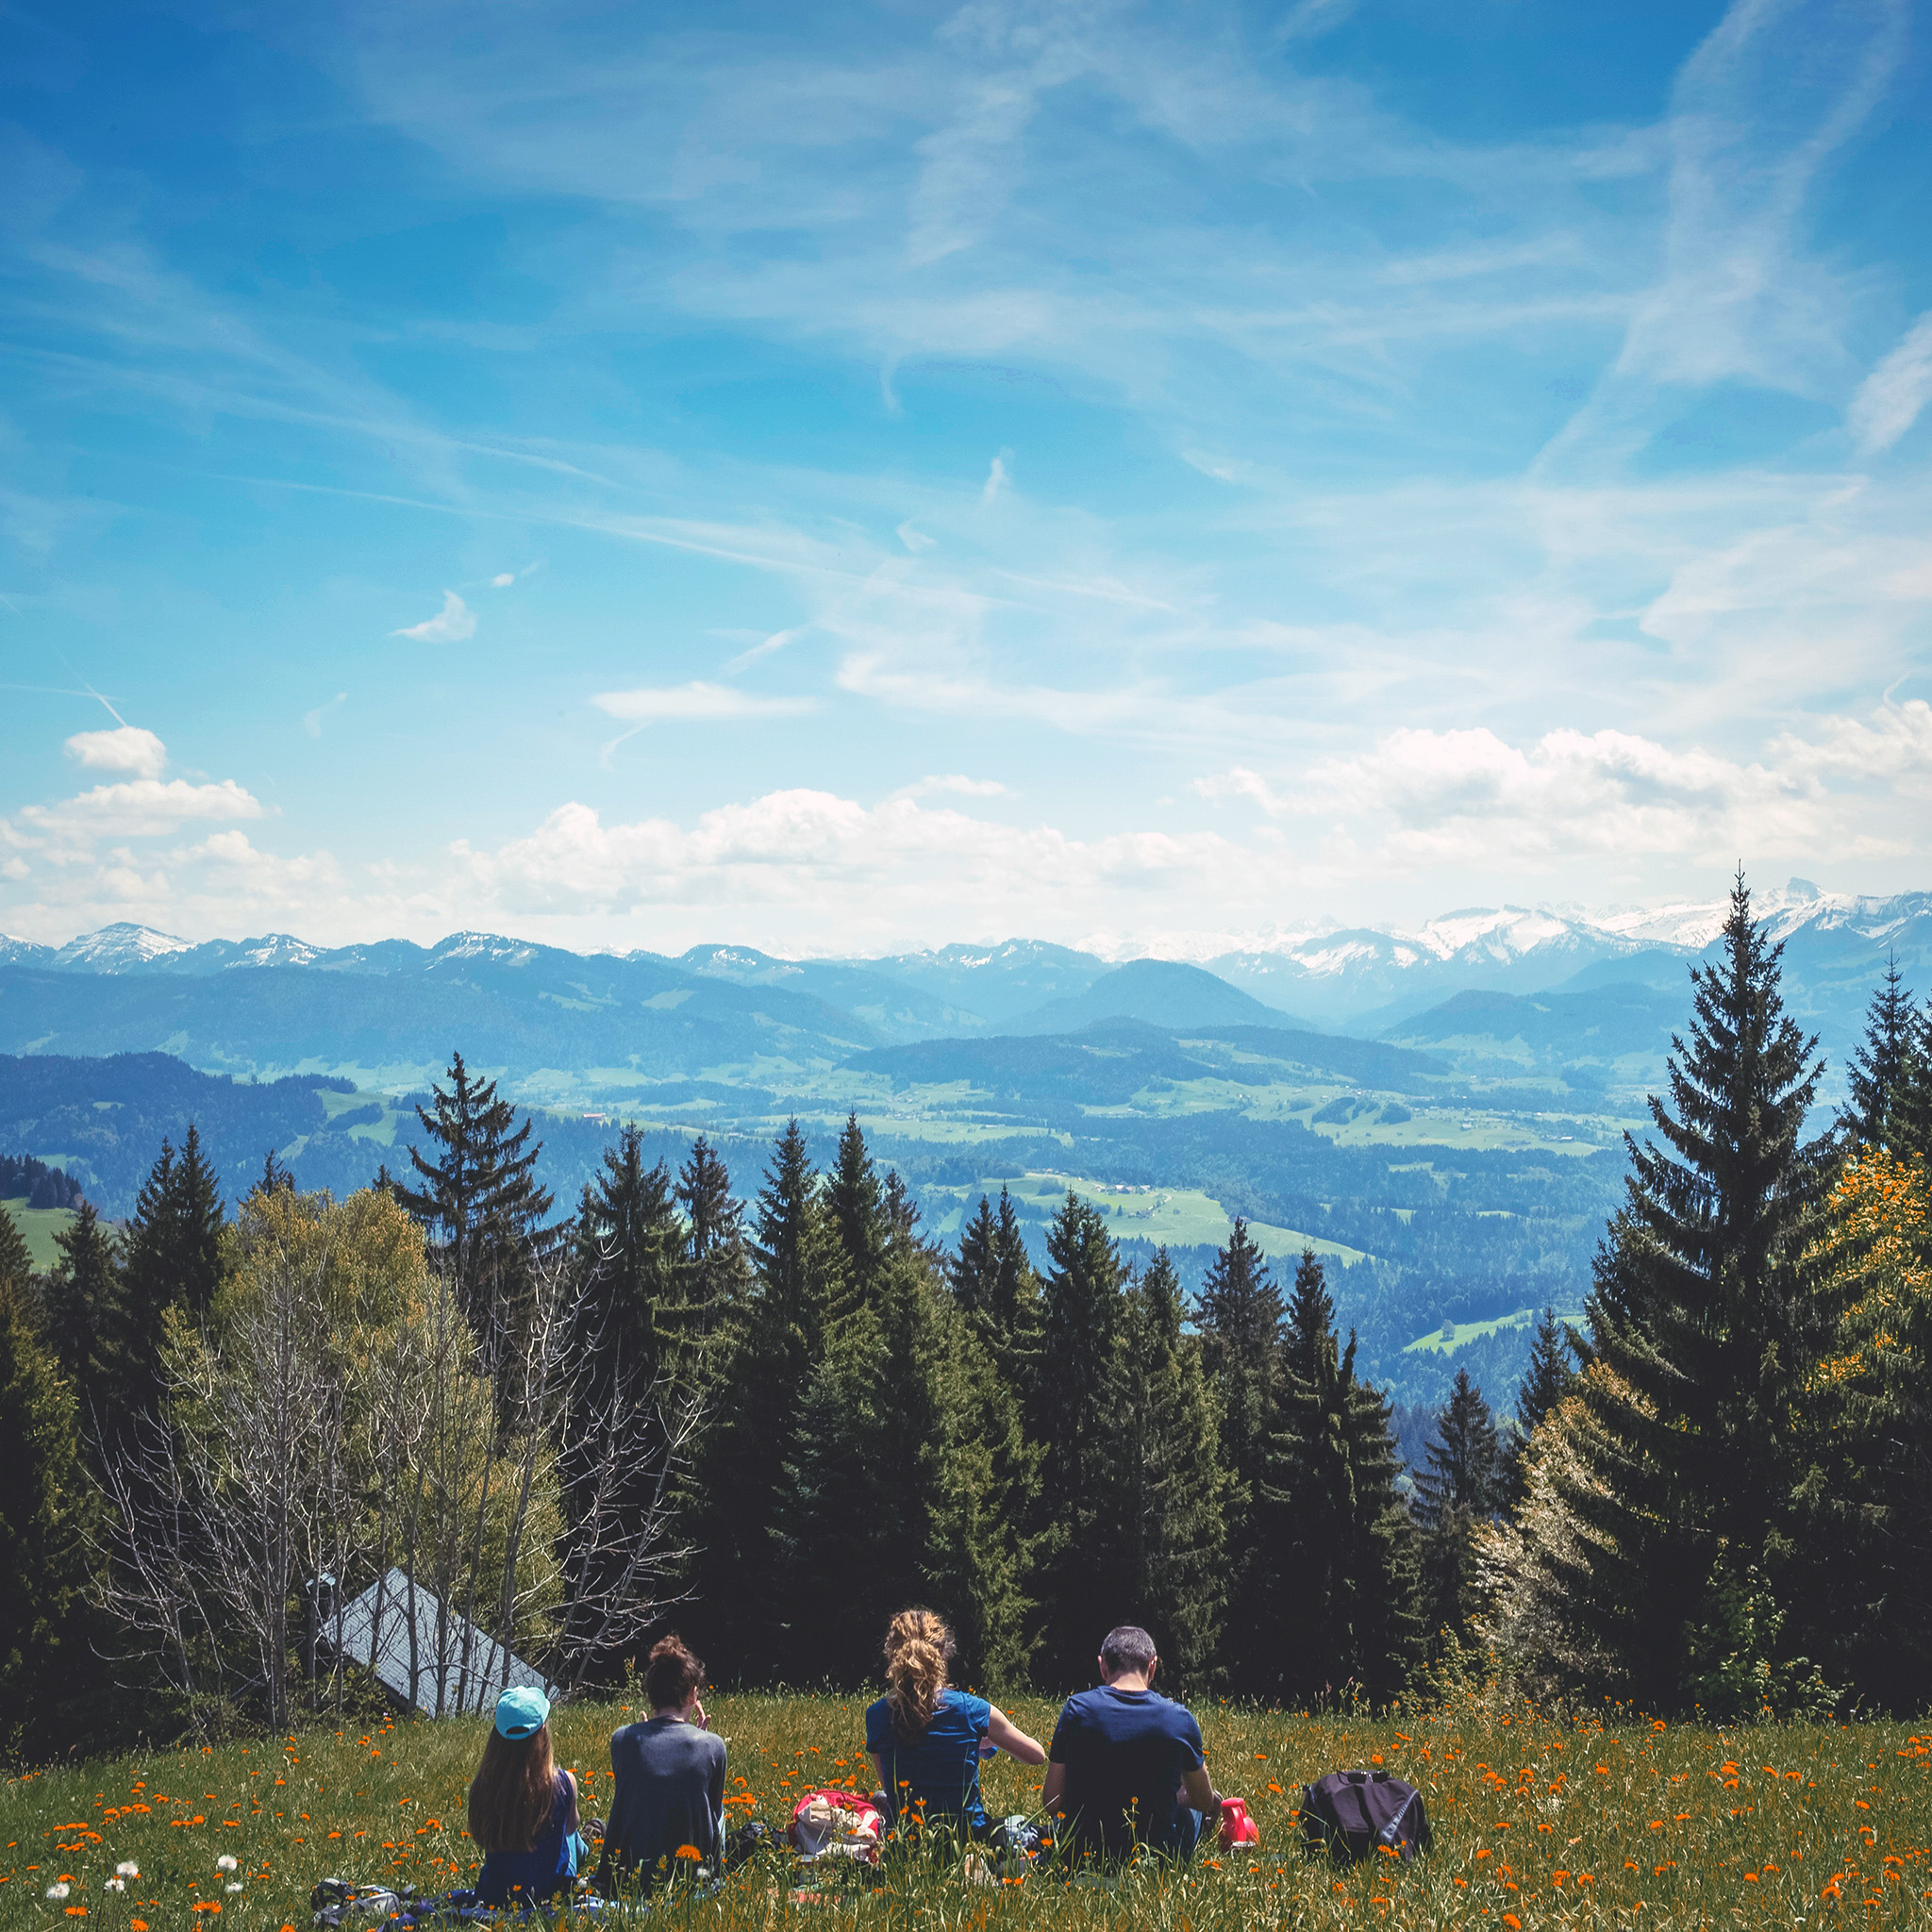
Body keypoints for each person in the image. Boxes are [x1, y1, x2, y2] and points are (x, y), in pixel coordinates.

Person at [1041, 1624, 1223, 1863]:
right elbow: (1202, 1801)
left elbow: (1052, 1802)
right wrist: (1179, 1798)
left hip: (1083, 1857)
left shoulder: (1077, 1710)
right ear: (1153, 1665)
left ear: (1102, 1665)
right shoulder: (1179, 1718)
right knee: (1196, 1809)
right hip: (1157, 1860)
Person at [864, 1608, 1044, 1842]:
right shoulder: (972, 1710)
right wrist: (985, 1738)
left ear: (892, 1655)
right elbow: (1037, 1755)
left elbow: (893, 1790)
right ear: (942, 1653)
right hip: (969, 1841)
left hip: (907, 1844)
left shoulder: (876, 1716)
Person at [601, 1635, 728, 1890]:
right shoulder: (712, 1746)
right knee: (721, 1813)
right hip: (691, 1878)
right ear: (693, 1695)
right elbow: (712, 1813)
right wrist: (700, 1739)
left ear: (650, 1694)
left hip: (631, 1877)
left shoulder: (622, 1740)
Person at [468, 1686, 583, 1907]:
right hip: (548, 1893)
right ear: (543, 1734)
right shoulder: (564, 1783)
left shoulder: (483, 1786)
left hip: (496, 1895)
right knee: (575, 1841)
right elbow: (569, 1829)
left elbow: (481, 1836)